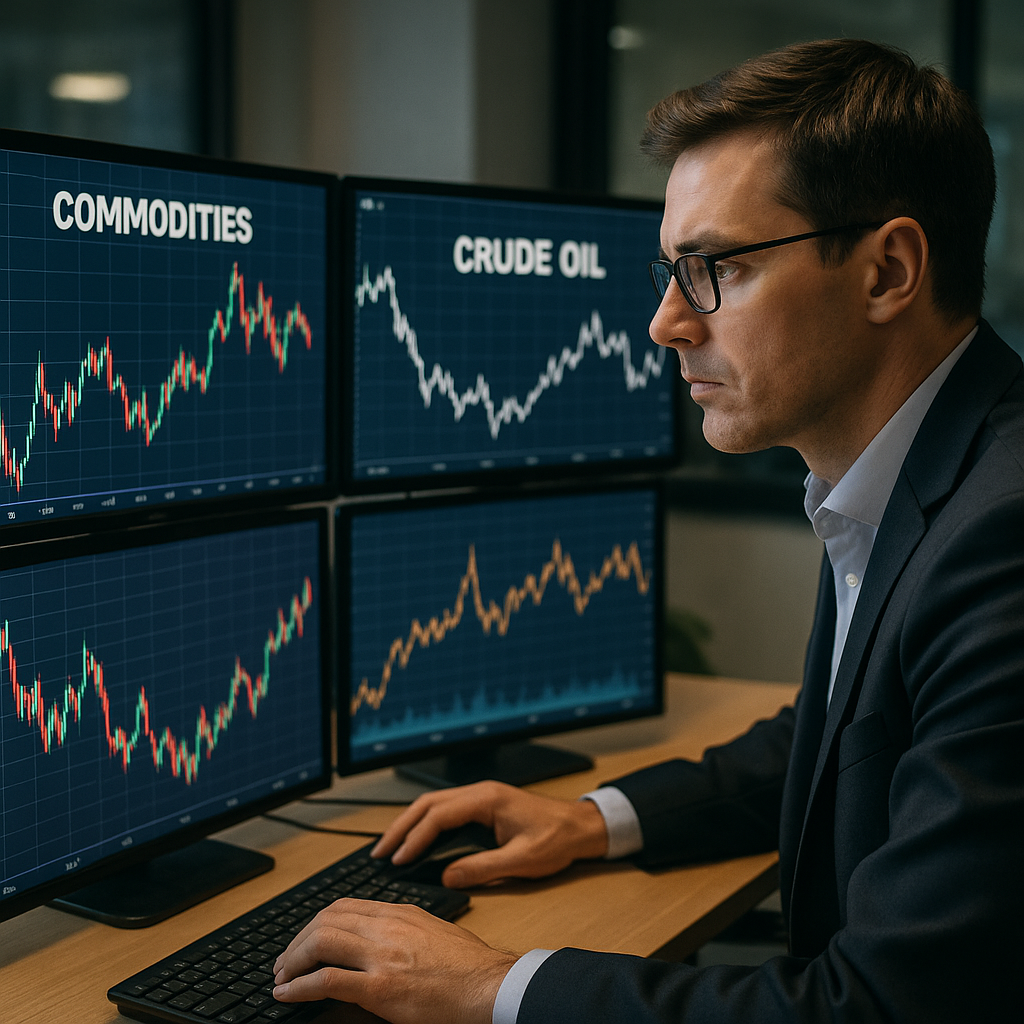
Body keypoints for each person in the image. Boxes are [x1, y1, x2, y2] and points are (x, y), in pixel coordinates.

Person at [272, 38, 1024, 1024]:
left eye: (712, 268)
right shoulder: (930, 470)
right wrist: (592, 821)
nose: (666, 321)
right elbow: (852, 729)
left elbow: (878, 1009)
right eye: (670, 270)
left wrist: (487, 985)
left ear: (887, 269)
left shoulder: (998, 543)